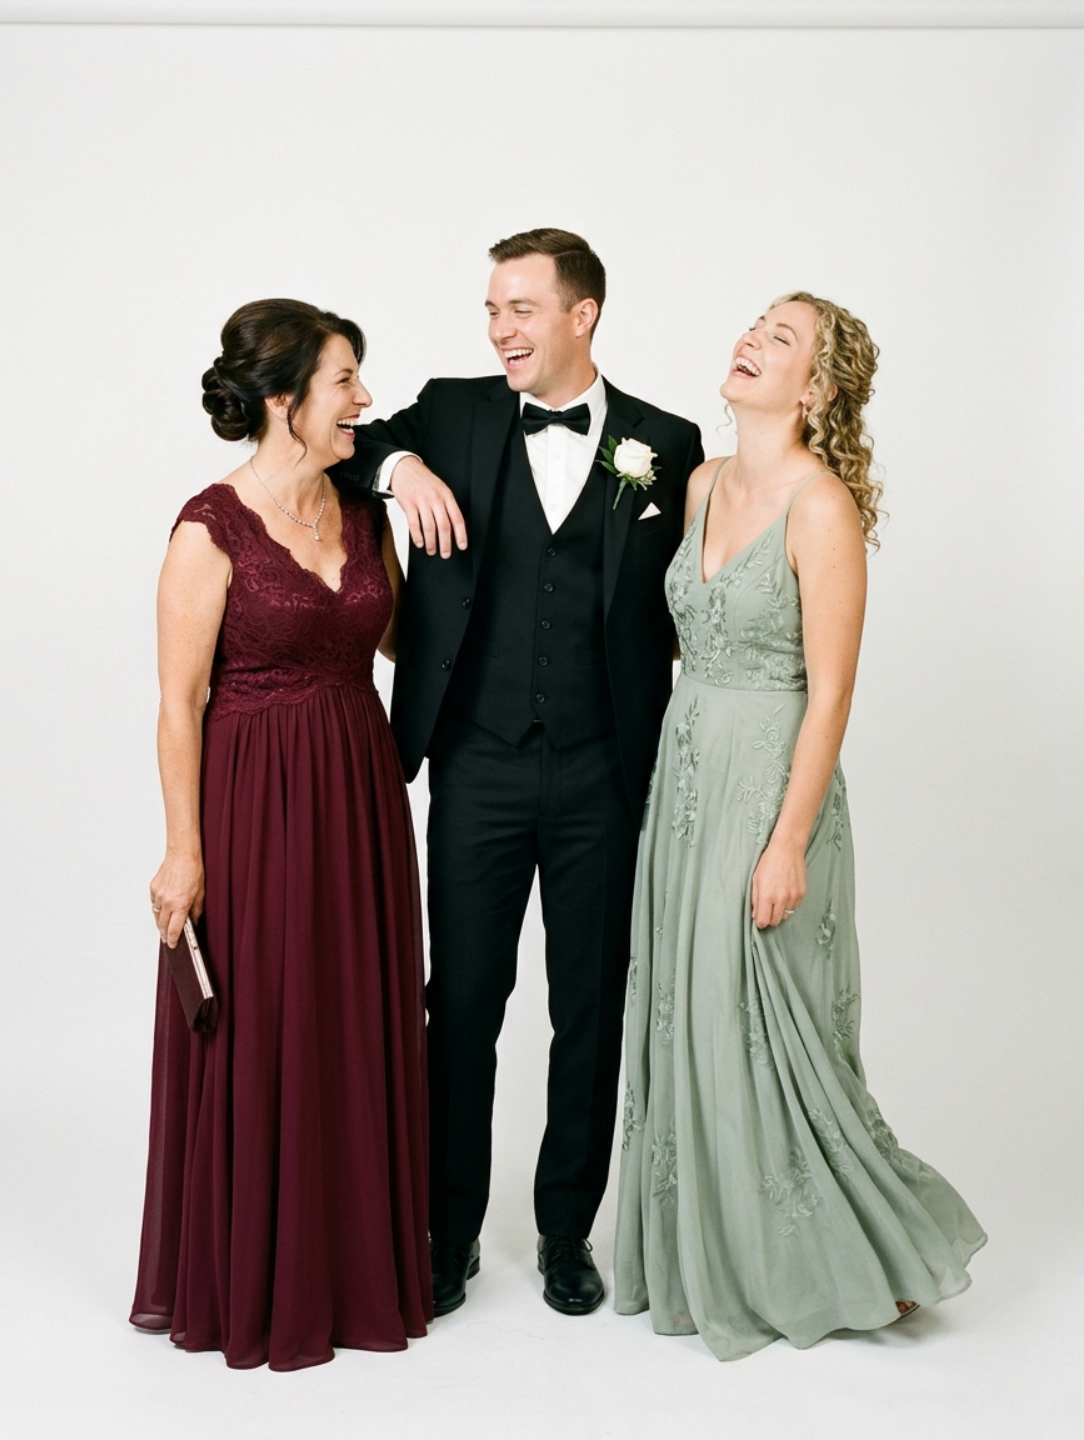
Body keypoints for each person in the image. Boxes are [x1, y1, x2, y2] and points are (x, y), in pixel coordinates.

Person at [338, 229, 703, 1317]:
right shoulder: (451, 413)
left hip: (604, 773)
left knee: (589, 1009)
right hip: (477, 766)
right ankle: (446, 1232)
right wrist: (400, 467)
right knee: (461, 1004)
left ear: (581, 315)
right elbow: (344, 442)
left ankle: (564, 1233)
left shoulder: (664, 442)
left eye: (521, 309)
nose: (500, 329)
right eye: (492, 310)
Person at [613, 293, 986, 1360]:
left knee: (767, 1017)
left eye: (779, 339)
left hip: (769, 783)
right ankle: (714, 1249)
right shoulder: (696, 484)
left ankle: (860, 1252)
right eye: (753, 325)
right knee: (690, 1005)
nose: (749, 341)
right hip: (687, 769)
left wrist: (784, 842)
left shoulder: (819, 507)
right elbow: (684, 635)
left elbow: (831, 691)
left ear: (815, 390)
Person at [129, 299, 432, 1369]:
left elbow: (404, 639)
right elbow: (179, 702)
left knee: (350, 1013)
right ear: (281, 399)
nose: (364, 399)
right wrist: (184, 851)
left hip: (359, 795)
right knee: (265, 1021)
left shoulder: (360, 512)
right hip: (253, 801)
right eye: (344, 380)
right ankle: (261, 1277)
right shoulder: (207, 527)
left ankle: (352, 1267)